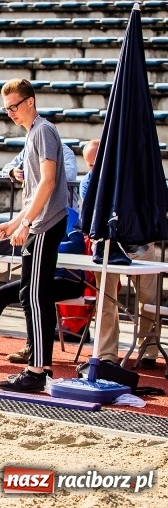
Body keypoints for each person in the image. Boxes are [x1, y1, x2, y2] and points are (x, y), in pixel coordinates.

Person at [0, 78, 70, 393]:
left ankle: (36, 370)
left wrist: (27, 223)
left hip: (45, 224)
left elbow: (48, 182)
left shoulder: (43, 131)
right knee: (33, 295)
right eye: (6, 108)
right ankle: (42, 365)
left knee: (34, 296)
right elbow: (37, 189)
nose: (10, 112)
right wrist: (15, 222)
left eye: (14, 106)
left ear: (30, 101)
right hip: (39, 222)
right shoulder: (34, 134)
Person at [0, 208, 87, 365]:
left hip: (69, 280)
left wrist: (39, 244)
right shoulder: (35, 211)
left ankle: (32, 350)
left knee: (39, 296)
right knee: (0, 294)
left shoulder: (68, 213)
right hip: (42, 275)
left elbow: (77, 245)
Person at [80, 139, 159, 369]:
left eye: (96, 163)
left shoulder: (135, 176)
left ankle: (148, 351)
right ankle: (106, 355)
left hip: (140, 243)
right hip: (108, 245)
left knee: (149, 299)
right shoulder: (89, 183)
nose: (94, 169)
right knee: (106, 300)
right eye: (90, 165)